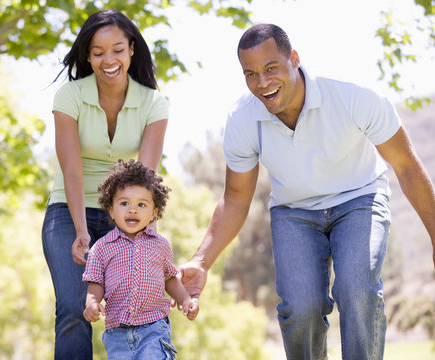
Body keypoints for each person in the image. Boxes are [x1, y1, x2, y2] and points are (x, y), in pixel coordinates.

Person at [179, 23, 435, 360]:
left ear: (294, 59)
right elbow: (236, 199)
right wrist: (201, 260)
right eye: (250, 74)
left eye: (271, 68)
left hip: (359, 198)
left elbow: (406, 166)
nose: (262, 82)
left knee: (357, 290)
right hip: (294, 211)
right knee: (301, 308)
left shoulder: (351, 94)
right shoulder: (243, 119)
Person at [41, 10, 169, 359]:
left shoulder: (154, 103)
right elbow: (71, 169)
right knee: (73, 307)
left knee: (136, 306)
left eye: (116, 50)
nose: (107, 60)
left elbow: (145, 178)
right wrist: (82, 231)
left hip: (123, 213)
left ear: (131, 49)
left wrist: (145, 235)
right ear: (87, 55)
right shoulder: (69, 96)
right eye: (97, 52)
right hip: (69, 210)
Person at [82, 159, 199, 359]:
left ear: (154, 213)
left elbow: (170, 278)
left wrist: (186, 299)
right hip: (116, 332)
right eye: (124, 203)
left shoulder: (160, 245)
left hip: (154, 328)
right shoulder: (101, 248)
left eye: (141, 204)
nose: (133, 209)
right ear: (111, 209)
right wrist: (91, 304)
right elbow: (96, 283)